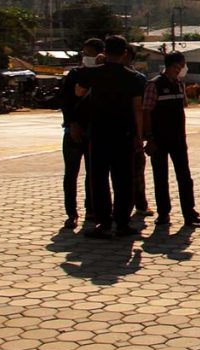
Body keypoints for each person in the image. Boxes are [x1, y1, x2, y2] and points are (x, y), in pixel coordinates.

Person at [76, 35, 145, 238]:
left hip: (99, 133)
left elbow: (79, 91)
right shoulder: (133, 77)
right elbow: (137, 109)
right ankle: (122, 223)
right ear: (125, 53)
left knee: (99, 179)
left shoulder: (93, 73)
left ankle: (103, 223)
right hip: (124, 134)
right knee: (124, 180)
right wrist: (139, 135)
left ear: (104, 52)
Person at [144, 51, 200, 228]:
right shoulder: (154, 85)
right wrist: (149, 138)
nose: (183, 68)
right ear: (174, 65)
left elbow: (182, 108)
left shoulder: (179, 84)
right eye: (182, 64)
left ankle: (189, 212)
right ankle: (163, 214)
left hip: (178, 139)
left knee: (184, 177)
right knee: (160, 177)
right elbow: (146, 112)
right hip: (159, 139)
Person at [58, 37, 103, 229]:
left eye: (89, 54)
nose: (86, 57)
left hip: (96, 131)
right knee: (71, 174)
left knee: (93, 174)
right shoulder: (75, 74)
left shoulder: (105, 75)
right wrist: (72, 123)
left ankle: (91, 209)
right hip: (74, 131)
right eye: (84, 53)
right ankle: (71, 213)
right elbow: (66, 101)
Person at [123, 43, 152, 218]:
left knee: (136, 171)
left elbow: (141, 109)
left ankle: (139, 204)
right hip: (125, 132)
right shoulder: (106, 75)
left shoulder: (138, 79)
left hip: (132, 132)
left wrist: (141, 135)